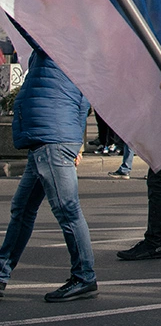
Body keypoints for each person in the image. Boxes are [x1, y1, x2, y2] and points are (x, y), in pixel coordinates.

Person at [0, 23, 97, 302]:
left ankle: (84, 277)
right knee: (22, 208)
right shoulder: (76, 51)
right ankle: (2, 273)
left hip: (51, 139)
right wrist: (76, 143)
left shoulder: (59, 41)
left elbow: (28, 27)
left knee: (67, 210)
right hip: (50, 139)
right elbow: (82, 103)